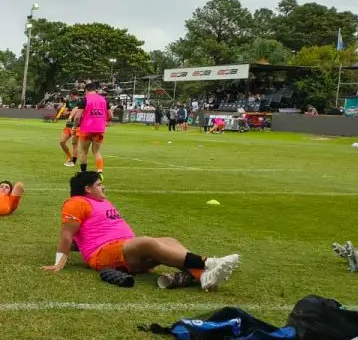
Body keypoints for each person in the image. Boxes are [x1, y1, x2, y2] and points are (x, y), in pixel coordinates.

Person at [42, 171, 238, 290]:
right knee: (147, 242)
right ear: (87, 189)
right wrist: (59, 263)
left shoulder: (101, 201)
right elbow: (67, 234)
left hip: (125, 249)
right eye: (99, 185)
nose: (104, 188)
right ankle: (208, 263)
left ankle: (201, 275)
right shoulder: (76, 203)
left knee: (169, 240)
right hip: (103, 254)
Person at [75, 81, 110, 174]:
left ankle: (83, 173)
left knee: (83, 151)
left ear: (86, 90)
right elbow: (110, 115)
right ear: (95, 90)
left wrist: (75, 126)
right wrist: (105, 121)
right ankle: (99, 171)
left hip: (86, 129)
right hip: (99, 129)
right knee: (97, 152)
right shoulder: (104, 100)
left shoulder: (84, 100)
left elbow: (77, 117)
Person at [57, 91, 81, 167]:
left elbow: (79, 113)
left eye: (72, 96)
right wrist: (72, 112)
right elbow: (64, 112)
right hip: (68, 125)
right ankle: (69, 157)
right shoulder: (68, 102)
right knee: (62, 142)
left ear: (76, 95)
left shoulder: (81, 102)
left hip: (77, 126)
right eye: (70, 96)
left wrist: (70, 112)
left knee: (74, 144)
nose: (70, 98)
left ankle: (73, 161)